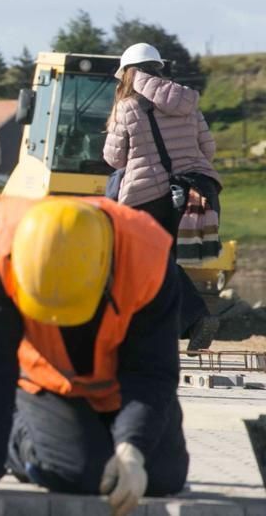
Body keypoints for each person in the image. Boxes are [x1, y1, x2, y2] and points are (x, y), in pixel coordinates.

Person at [0, 196, 188, 516]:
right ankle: (20, 435)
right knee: (82, 474)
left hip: (119, 388)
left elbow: (152, 370)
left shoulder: (147, 257)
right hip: (46, 384)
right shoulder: (0, 248)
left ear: (106, 271)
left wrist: (131, 448)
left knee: (162, 477)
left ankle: (114, 443)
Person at [103, 42, 222, 349]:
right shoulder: (186, 100)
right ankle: (167, 331)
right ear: (158, 68)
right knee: (161, 262)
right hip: (196, 190)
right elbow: (208, 150)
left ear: (128, 73)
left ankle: (194, 318)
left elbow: (115, 159)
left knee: (147, 260)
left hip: (150, 197)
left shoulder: (127, 106)